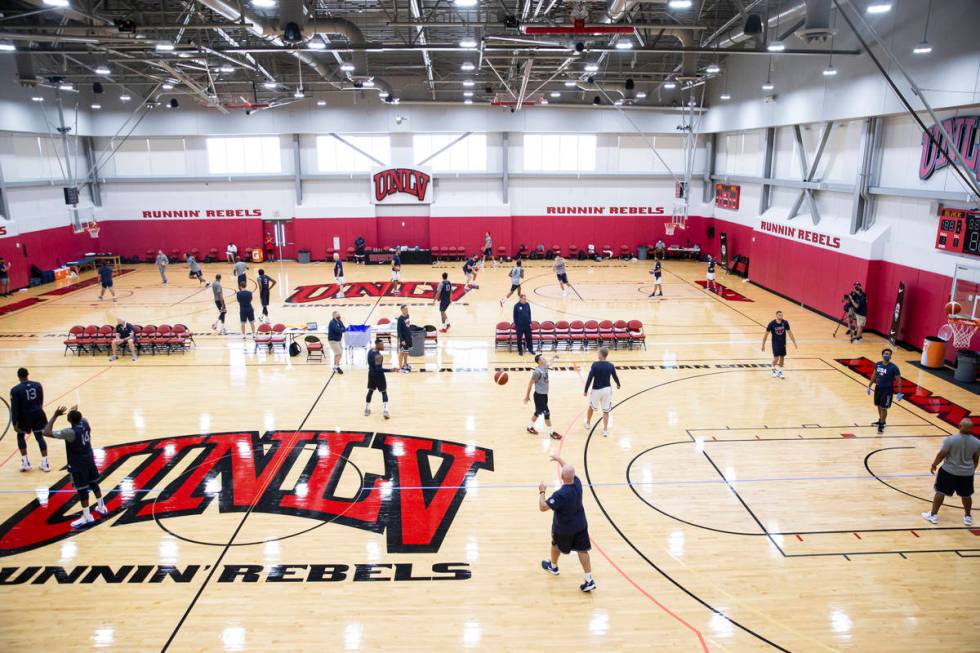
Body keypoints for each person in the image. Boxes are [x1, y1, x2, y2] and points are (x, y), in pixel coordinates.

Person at [43, 405, 107, 528]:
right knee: (94, 483)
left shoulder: (69, 433)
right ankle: (101, 507)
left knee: (82, 490)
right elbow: (81, 418)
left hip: (78, 464)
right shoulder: (85, 424)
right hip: (89, 460)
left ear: (70, 420)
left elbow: (46, 432)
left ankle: (87, 517)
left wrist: (55, 415)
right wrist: (74, 411)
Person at [539, 453, 595, 592]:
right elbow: (569, 470)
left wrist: (542, 492)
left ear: (562, 477)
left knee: (555, 544)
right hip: (581, 525)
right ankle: (589, 579)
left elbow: (543, 507)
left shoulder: (560, 494)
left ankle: (553, 566)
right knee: (583, 550)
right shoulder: (577, 483)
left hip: (564, 529)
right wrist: (559, 460)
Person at [921, 419, 979, 526]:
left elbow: (941, 454)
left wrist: (934, 464)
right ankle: (967, 517)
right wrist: (971, 470)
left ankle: (933, 515)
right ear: (971, 429)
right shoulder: (977, 442)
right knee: (966, 495)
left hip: (948, 472)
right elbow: (976, 459)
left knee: (940, 492)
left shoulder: (950, 440)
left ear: (960, 426)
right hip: (966, 474)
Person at [10, 367, 49, 472]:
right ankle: (45, 463)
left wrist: (14, 422)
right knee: (39, 437)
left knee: (20, 436)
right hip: (38, 414)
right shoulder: (38, 385)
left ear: (18, 377)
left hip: (24, 417)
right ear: (28, 374)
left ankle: (26, 463)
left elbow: (15, 408)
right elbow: (41, 400)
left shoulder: (15, 390)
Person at [584, 347, 621, 438]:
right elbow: (615, 376)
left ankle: (588, 423)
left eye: (598, 353)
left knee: (591, 407)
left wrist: (585, 390)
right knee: (606, 411)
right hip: (607, 390)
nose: (597, 354)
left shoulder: (595, 365)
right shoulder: (610, 365)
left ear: (601, 354)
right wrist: (618, 384)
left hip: (596, 390)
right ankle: (605, 430)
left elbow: (590, 378)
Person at [525, 354, 562, 440]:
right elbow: (530, 384)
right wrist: (527, 396)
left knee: (538, 412)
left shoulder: (545, 367)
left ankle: (529, 427)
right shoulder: (537, 372)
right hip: (539, 396)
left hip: (544, 395)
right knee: (547, 413)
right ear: (539, 361)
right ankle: (551, 432)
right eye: (542, 358)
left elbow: (550, 363)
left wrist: (554, 357)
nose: (544, 358)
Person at [867, 347, 902, 434]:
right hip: (878, 388)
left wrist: (900, 392)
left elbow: (899, 381)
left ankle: (882, 424)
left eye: (888, 354)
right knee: (878, 405)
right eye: (885, 353)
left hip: (887, 390)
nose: (886, 355)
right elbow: (874, 376)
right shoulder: (878, 364)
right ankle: (881, 420)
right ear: (882, 355)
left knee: (883, 407)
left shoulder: (893, 367)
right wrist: (869, 386)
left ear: (890, 356)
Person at [762, 310, 797, 379]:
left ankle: (780, 371)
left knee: (782, 357)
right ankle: (773, 368)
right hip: (775, 343)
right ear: (776, 315)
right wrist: (763, 345)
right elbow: (766, 335)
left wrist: (794, 342)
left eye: (782, 315)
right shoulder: (771, 324)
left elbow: (790, 333)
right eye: (779, 315)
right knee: (776, 358)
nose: (781, 316)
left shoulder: (785, 323)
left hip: (783, 343)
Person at [365, 337, 390, 419]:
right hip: (379, 376)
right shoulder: (378, 356)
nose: (383, 346)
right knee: (384, 392)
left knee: (370, 391)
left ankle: (367, 409)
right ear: (378, 345)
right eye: (382, 344)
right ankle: (385, 411)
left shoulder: (370, 351)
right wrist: (391, 370)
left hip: (371, 374)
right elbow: (379, 369)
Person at [396, 304, 412, 373]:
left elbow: (408, 327)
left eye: (407, 308)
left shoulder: (408, 315)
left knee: (406, 351)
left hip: (408, 337)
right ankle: (400, 367)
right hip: (403, 339)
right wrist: (401, 340)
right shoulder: (400, 319)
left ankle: (405, 364)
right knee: (402, 352)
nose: (407, 310)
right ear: (402, 310)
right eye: (405, 309)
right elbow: (399, 330)